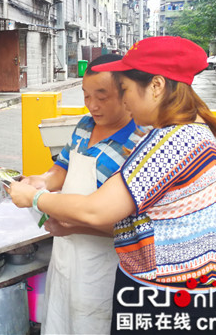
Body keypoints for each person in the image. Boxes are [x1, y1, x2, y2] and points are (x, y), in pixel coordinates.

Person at [9, 36, 216, 334]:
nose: (125, 100)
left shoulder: (168, 143)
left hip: (165, 295)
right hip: (179, 288)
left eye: (124, 89)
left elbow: (97, 210)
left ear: (156, 86)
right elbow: (144, 221)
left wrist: (34, 198)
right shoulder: (189, 133)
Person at [22, 54, 146, 334]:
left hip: (102, 262)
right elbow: (61, 168)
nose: (92, 105)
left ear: (125, 93)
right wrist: (40, 181)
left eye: (102, 96)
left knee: (92, 322)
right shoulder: (84, 125)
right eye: (86, 95)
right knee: (59, 317)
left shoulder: (137, 142)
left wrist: (71, 225)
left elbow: (132, 225)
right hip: (65, 250)